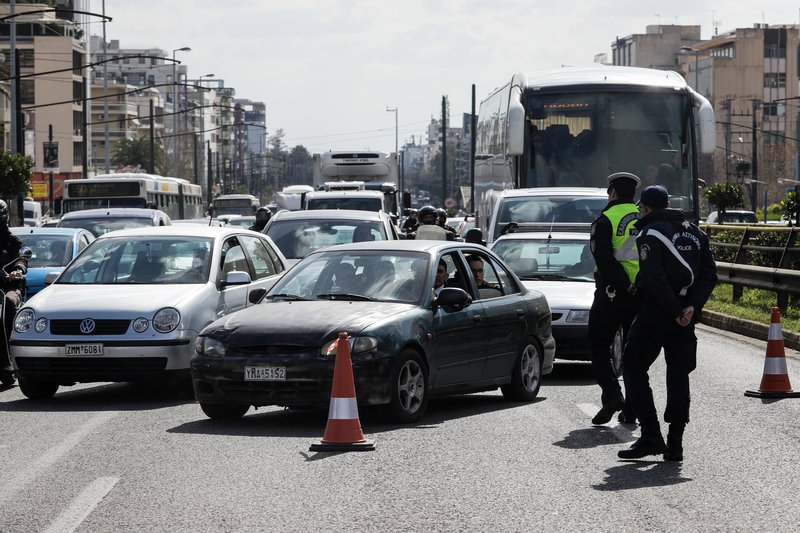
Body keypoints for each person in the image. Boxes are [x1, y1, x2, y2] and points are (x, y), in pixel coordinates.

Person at [617, 185, 717, 461]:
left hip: (658, 312)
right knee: (678, 374)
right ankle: (675, 444)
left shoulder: (650, 233)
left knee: (634, 366)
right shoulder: (697, 233)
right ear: (669, 203)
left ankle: (650, 435)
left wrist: (674, 309)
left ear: (647, 208)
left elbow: (654, 278)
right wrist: (691, 307)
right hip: (685, 315)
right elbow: (710, 274)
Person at [588, 172, 642, 426]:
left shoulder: (606, 219)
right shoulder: (645, 216)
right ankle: (630, 409)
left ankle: (612, 395)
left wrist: (624, 284)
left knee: (598, 345)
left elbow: (604, 259)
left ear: (612, 193)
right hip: (642, 294)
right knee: (634, 353)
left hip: (612, 293)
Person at [0, 200, 28, 376]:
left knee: (9, 303)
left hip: (8, 286)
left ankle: (8, 356)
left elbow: (22, 257)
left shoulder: (12, 240)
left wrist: (18, 269)